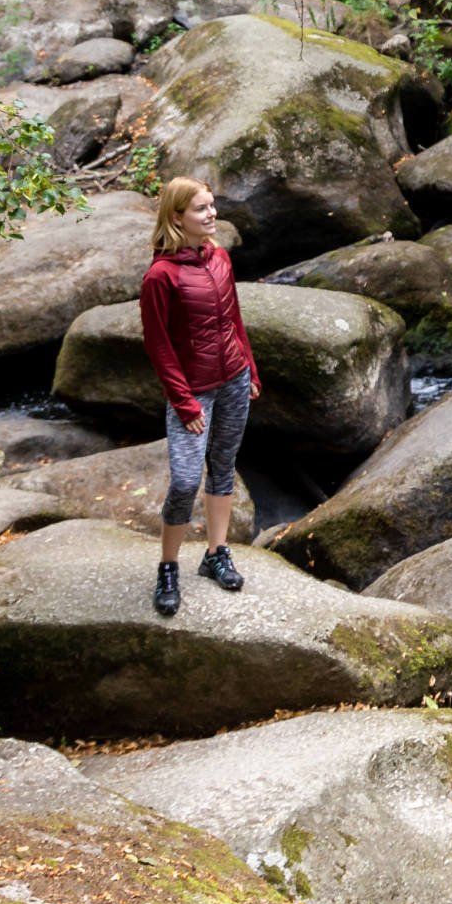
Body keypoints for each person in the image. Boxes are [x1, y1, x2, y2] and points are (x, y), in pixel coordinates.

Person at [139, 175, 260, 618]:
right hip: (193, 392)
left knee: (224, 467)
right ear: (176, 217)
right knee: (187, 480)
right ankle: (168, 567)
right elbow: (158, 346)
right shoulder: (160, 276)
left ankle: (216, 554)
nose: (211, 214)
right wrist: (184, 402)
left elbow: (234, 319)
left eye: (212, 206)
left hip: (233, 379)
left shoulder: (221, 259)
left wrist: (250, 369)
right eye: (201, 209)